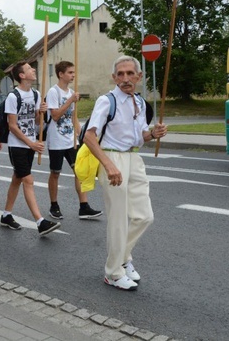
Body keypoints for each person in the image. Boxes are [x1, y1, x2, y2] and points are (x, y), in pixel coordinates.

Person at [83, 55, 167, 291]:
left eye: (130, 74)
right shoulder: (106, 101)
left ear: (139, 77)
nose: (125, 78)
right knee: (118, 219)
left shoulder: (139, 103)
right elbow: (89, 136)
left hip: (134, 157)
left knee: (144, 216)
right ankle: (112, 272)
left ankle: (123, 257)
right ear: (114, 77)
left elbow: (142, 136)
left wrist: (154, 133)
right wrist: (109, 165)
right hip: (113, 157)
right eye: (120, 74)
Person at [0, 62, 60, 236]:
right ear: (21, 75)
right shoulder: (13, 96)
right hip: (18, 145)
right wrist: (31, 143)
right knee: (28, 180)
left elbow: (34, 121)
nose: (33, 70)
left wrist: (40, 112)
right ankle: (40, 222)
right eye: (29, 69)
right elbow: (12, 126)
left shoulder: (36, 94)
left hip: (30, 144)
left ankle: (6, 215)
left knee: (17, 179)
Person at [46, 61, 103, 220]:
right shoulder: (54, 92)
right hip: (56, 140)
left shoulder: (71, 92)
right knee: (55, 173)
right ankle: (54, 205)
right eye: (70, 72)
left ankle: (84, 206)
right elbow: (55, 116)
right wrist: (70, 100)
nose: (73, 75)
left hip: (71, 140)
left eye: (73, 73)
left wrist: (82, 136)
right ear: (61, 74)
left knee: (79, 171)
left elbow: (73, 117)